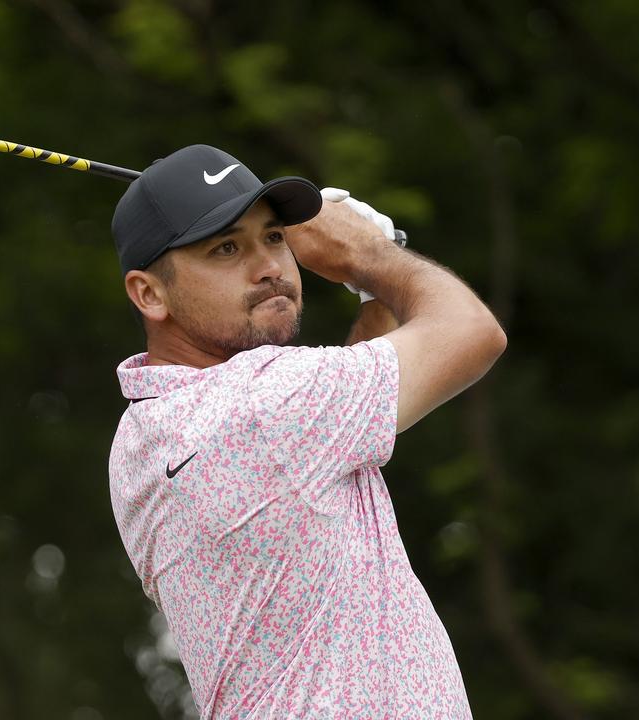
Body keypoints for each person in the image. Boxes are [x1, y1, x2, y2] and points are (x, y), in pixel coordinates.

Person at [108, 144, 506, 718]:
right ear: (149, 293)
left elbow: (326, 441)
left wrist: (376, 289)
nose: (268, 266)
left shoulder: (143, 437)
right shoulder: (264, 405)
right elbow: (472, 332)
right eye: (226, 248)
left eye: (274, 237)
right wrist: (368, 254)